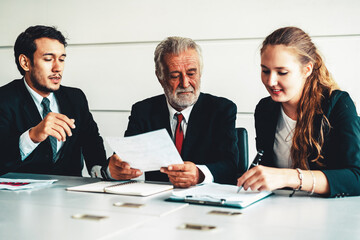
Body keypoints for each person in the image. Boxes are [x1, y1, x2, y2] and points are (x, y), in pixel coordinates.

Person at [237, 27, 360, 197]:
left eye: (282, 72)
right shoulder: (265, 109)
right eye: (265, 70)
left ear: (307, 69)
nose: (271, 81)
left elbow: (356, 178)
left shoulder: (338, 104)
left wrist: (288, 177)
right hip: (279, 209)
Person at [109, 36, 239, 187]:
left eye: (191, 73)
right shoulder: (143, 111)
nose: (185, 83)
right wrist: (114, 169)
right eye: (175, 76)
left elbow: (230, 166)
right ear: (160, 77)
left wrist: (199, 174)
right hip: (155, 202)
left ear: (200, 73)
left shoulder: (221, 109)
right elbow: (123, 160)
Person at [0, 25, 118, 178]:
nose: (58, 68)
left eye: (61, 59)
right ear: (25, 62)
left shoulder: (76, 97)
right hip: (18, 196)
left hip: (72, 196)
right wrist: (32, 136)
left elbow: (92, 143)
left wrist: (105, 171)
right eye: (48, 59)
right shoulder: (4, 99)